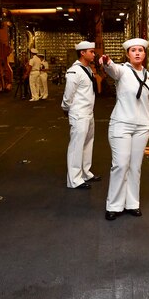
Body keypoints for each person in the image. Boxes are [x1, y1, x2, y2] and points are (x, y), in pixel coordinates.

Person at [99, 38, 149, 221]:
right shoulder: (123, 71)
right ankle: (114, 205)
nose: (137, 53)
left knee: (135, 166)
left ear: (144, 54)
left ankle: (132, 203)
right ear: (127, 54)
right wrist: (107, 62)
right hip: (121, 124)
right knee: (120, 164)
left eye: (140, 50)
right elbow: (112, 69)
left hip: (142, 126)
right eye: (133, 50)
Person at [61, 41, 102, 190]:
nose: (93, 54)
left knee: (87, 143)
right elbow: (68, 93)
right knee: (76, 146)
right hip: (79, 113)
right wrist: (65, 107)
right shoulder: (75, 71)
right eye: (91, 51)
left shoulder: (88, 69)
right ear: (82, 53)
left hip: (88, 112)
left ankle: (85, 172)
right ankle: (74, 179)